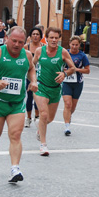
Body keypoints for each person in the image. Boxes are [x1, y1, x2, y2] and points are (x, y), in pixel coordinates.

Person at [0, 26, 39, 184]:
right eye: (14, 41)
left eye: (21, 42)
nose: (17, 45)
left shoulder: (27, 55)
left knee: (15, 135)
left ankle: (15, 168)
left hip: (17, 103)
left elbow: (31, 69)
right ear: (7, 38)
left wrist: (33, 81)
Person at [33, 27, 76, 156]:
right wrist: (32, 80)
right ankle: (43, 145)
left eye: (56, 38)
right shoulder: (40, 51)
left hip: (55, 89)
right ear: (46, 38)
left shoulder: (63, 52)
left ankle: (40, 129)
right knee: (44, 114)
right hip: (41, 86)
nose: (54, 40)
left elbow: (73, 68)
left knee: (50, 119)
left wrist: (65, 73)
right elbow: (31, 66)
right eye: (51, 37)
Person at [62, 36, 90, 136]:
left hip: (78, 83)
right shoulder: (65, 53)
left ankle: (68, 116)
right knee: (67, 104)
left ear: (79, 45)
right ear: (69, 44)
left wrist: (76, 69)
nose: (74, 47)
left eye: (76, 45)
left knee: (72, 107)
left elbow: (87, 70)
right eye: (72, 44)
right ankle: (66, 126)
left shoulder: (82, 56)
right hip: (66, 82)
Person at [24, 27, 44, 128]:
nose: (35, 36)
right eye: (34, 34)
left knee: (38, 97)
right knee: (29, 97)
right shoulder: (26, 47)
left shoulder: (43, 47)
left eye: (37, 34)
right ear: (30, 36)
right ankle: (28, 118)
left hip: (40, 75)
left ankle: (37, 116)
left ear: (41, 36)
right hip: (28, 75)